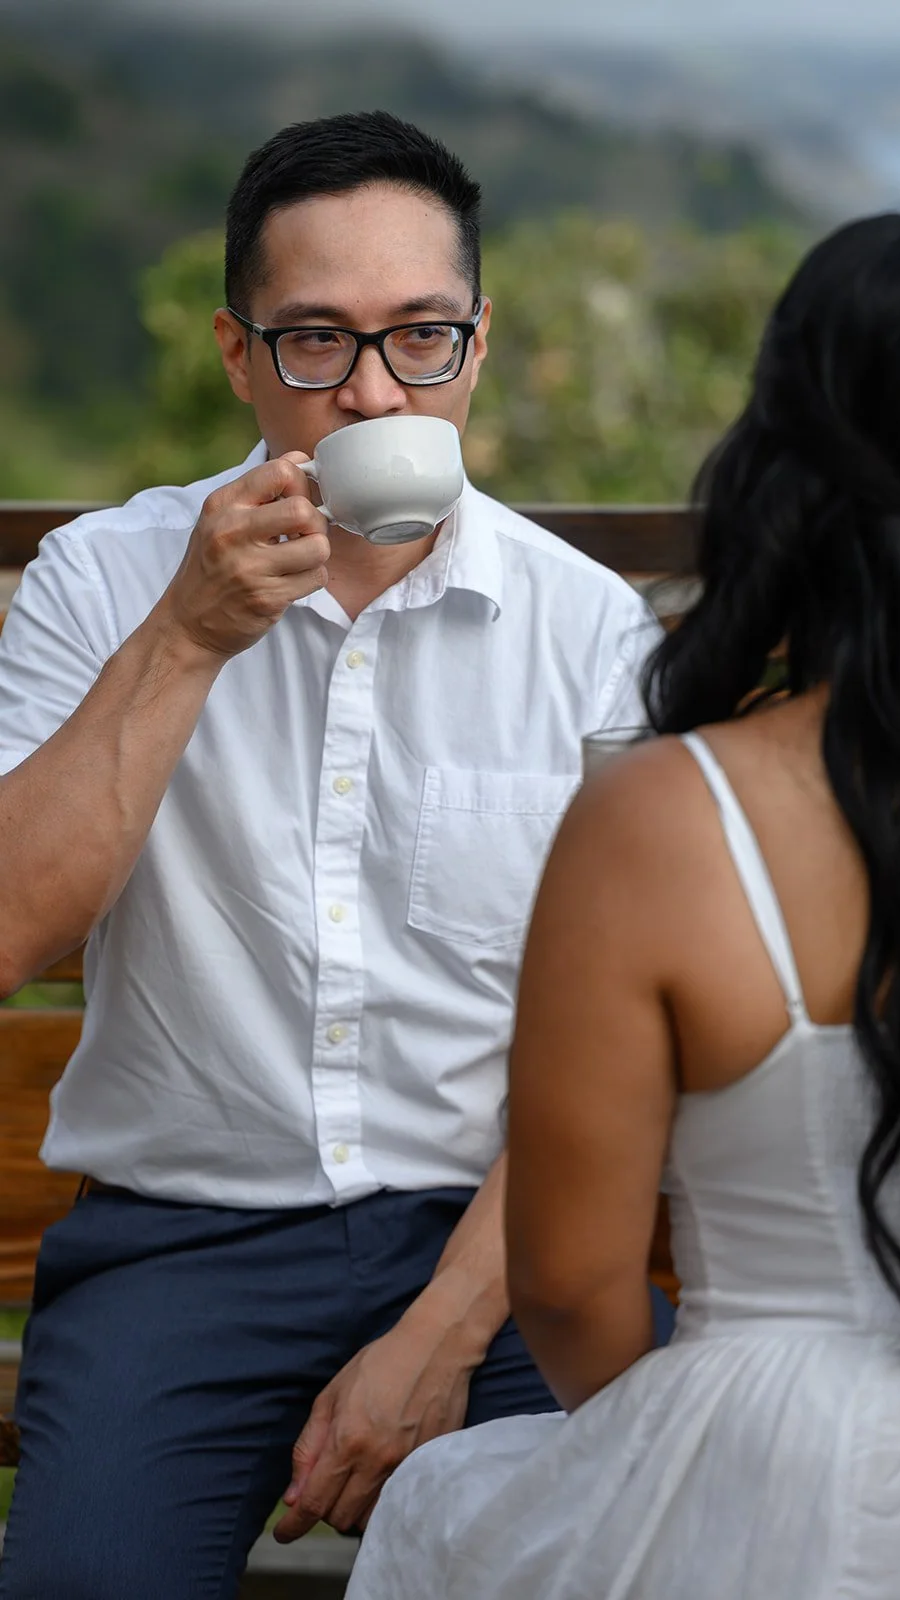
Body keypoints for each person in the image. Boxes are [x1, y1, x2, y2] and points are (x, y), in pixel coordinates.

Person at [347, 212, 900, 1600]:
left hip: (786, 1460)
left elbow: (566, 1284)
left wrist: (681, 1461)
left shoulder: (669, 819)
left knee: (445, 1512)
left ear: (784, 468)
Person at [0, 111, 668, 1600]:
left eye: (419, 337)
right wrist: (185, 641)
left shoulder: (585, 633)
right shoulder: (105, 580)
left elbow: (622, 1047)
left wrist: (438, 1335)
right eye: (316, 343)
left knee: (648, 1558)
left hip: (504, 1249)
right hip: (180, 1253)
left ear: (477, 348)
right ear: (239, 358)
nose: (371, 392)